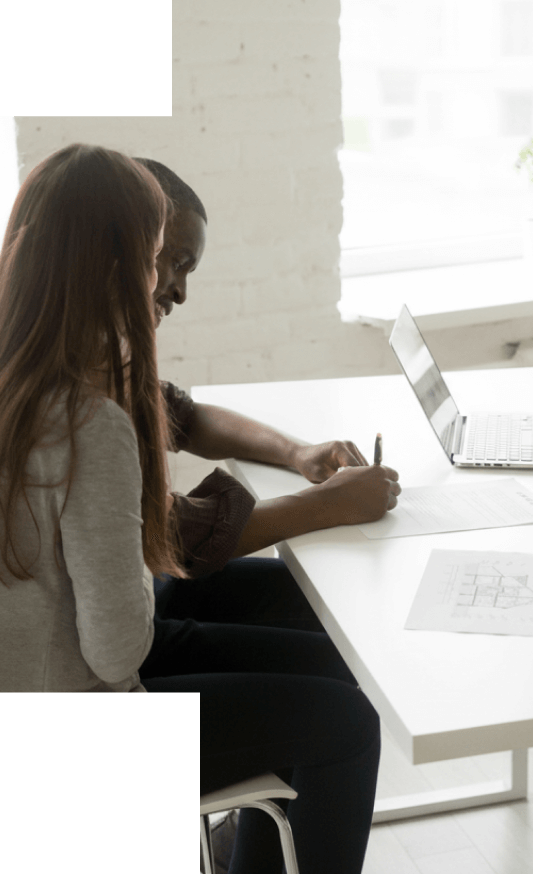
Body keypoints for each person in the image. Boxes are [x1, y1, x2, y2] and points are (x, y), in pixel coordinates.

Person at [132, 158, 399, 874]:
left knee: (333, 650)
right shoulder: (67, 386)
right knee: (347, 721)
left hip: (130, 623)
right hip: (106, 656)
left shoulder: (95, 346)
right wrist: (324, 505)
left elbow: (182, 417)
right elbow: (178, 538)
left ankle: (256, 856)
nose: (181, 291)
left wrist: (298, 452)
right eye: (175, 264)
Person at [0, 143, 175, 693]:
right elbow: (115, 654)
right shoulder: (88, 425)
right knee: (344, 719)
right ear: (121, 271)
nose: (159, 283)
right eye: (155, 260)